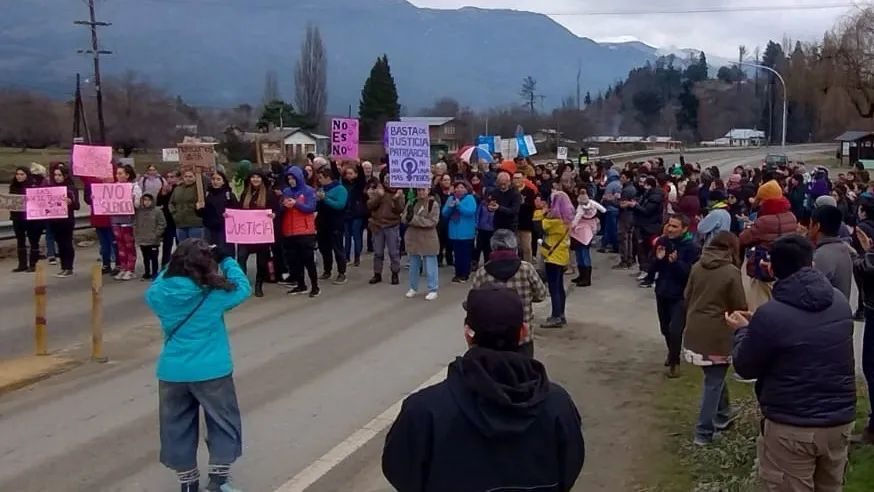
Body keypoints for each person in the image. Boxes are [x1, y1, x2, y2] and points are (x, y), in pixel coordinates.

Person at [382, 285, 585, 492]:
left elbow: (401, 472)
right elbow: (569, 469)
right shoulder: (559, 406)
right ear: (523, 331)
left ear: (468, 334)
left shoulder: (424, 411)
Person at [727, 234, 856, 491]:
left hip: (792, 424)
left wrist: (743, 331)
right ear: (812, 264)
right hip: (838, 421)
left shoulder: (771, 314)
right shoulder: (839, 302)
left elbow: (744, 365)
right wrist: (760, 327)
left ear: (771, 269)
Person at [145, 239, 250, 492]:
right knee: (223, 422)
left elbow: (160, 281)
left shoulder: (159, 294)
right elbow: (243, 288)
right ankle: (218, 480)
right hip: (212, 370)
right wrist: (226, 259)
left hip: (172, 371)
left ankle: (188, 482)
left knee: (176, 427)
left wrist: (177, 260)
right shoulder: (213, 295)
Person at [683, 231, 747, 445]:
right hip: (718, 332)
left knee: (714, 377)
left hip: (695, 328)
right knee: (713, 382)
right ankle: (703, 432)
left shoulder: (697, 266)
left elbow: (687, 295)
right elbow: (739, 305)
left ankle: (723, 414)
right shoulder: (731, 272)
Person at [471, 229, 547, 356]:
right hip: (522, 335)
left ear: (493, 248)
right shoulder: (526, 269)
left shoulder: (482, 272)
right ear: (515, 247)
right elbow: (541, 295)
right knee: (523, 373)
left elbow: (473, 304)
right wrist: (526, 298)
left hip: (491, 338)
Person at [652, 214, 702, 376]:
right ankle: (672, 352)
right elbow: (651, 269)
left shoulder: (692, 248)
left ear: (684, 229)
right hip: (662, 291)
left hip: (681, 295)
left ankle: (675, 363)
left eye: (675, 226)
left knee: (675, 329)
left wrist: (677, 263)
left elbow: (691, 273)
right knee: (665, 329)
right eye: (669, 225)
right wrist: (658, 259)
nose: (670, 229)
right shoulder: (662, 243)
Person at [233, 171, 278, 298]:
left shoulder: (269, 194)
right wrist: (230, 216)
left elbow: (277, 209)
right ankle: (242, 283)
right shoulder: (245, 193)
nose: (255, 179)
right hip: (246, 234)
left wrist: (274, 215)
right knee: (241, 257)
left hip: (261, 234)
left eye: (258, 177)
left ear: (262, 179)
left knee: (261, 261)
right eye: (253, 177)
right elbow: (239, 210)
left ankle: (258, 285)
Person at [281, 166, 320, 297]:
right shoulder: (286, 191)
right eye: (289, 178)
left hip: (305, 231)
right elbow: (281, 208)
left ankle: (315, 286)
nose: (291, 181)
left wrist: (296, 203)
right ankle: (300, 284)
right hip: (289, 230)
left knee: (308, 260)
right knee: (294, 261)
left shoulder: (309, 191)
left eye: (293, 178)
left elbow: (310, 207)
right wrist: (283, 206)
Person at [540, 191, 575, 328]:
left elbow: (538, 225)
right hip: (562, 256)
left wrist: (541, 211)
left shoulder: (553, 221)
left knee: (554, 288)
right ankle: (561, 314)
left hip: (552, 257)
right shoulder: (567, 220)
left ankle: (556, 316)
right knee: (559, 287)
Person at [367, 169, 406, 285]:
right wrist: (378, 196)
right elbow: (369, 206)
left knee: (394, 252)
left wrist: (397, 199)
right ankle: (377, 274)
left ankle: (395, 273)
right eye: (387, 180)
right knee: (378, 252)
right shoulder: (377, 191)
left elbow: (400, 210)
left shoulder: (398, 193)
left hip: (392, 225)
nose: (389, 183)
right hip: (377, 225)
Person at [809, 204, 853, 300]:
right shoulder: (842, 248)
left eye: (810, 223)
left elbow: (808, 289)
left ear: (817, 226)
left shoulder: (822, 255)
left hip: (827, 312)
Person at [403, 188, 440, 300]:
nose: (421, 192)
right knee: (414, 265)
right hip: (413, 237)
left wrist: (413, 219)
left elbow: (432, 222)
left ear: (428, 191)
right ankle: (413, 287)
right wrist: (406, 217)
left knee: (430, 265)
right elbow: (404, 218)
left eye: (423, 190)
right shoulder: (412, 202)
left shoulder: (433, 204)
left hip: (428, 238)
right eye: (419, 190)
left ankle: (433, 289)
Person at [315, 166, 349, 284]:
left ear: (328, 177)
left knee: (338, 248)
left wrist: (325, 199)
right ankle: (327, 270)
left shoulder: (340, 189)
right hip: (322, 223)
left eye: (321, 178)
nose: (319, 180)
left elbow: (340, 205)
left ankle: (341, 273)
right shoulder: (321, 189)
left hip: (335, 224)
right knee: (324, 249)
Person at [9, 167, 44, 273]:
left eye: (22, 174)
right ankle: (22, 264)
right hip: (17, 218)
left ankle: (33, 264)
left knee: (34, 241)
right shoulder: (14, 187)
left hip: (32, 219)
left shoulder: (33, 187)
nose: (19, 176)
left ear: (27, 175)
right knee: (20, 241)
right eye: (17, 174)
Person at [47, 166, 80, 277]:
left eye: (59, 175)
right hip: (54, 221)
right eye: (55, 175)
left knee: (67, 243)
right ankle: (63, 267)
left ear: (65, 175)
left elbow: (77, 206)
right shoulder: (51, 188)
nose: (57, 177)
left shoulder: (71, 188)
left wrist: (70, 202)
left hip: (67, 221)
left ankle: (69, 267)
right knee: (60, 244)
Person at [442, 180, 477, 283]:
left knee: (465, 254)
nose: (459, 189)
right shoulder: (450, 198)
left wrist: (459, 206)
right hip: (454, 231)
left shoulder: (469, 198)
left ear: (466, 189)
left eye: (462, 187)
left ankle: (465, 274)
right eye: (457, 187)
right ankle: (457, 273)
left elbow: (470, 212)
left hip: (466, 232)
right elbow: (444, 213)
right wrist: (450, 207)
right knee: (456, 254)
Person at [112, 164, 143, 281]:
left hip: (128, 220)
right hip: (115, 219)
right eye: (117, 173)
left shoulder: (134, 187)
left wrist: (132, 197)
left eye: (120, 173)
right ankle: (123, 267)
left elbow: (137, 204)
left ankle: (131, 269)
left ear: (127, 175)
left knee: (129, 245)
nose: (117, 176)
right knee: (120, 245)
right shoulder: (114, 187)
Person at [570, 188, 606, 287]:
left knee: (581, 254)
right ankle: (584, 276)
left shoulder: (581, 209)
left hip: (580, 231)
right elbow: (603, 210)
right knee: (584, 253)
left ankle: (584, 277)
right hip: (590, 230)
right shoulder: (593, 204)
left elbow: (575, 221)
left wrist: (569, 226)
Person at [198, 172, 237, 257]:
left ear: (223, 182)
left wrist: (229, 214)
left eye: (218, 179)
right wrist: (198, 208)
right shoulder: (207, 195)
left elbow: (236, 211)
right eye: (213, 179)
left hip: (224, 229)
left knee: (226, 254)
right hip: (209, 229)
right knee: (209, 254)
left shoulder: (229, 195)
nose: (215, 181)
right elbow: (202, 214)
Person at [135, 193, 167, 281]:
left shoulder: (157, 211)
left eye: (148, 200)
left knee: (154, 257)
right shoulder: (139, 212)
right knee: (145, 257)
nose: (146, 202)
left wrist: (157, 234)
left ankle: (155, 272)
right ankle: (147, 272)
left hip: (153, 239)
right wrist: (137, 235)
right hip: (142, 238)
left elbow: (162, 224)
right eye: (145, 200)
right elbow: (136, 223)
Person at [170, 170, 205, 242]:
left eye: (190, 176)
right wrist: (174, 214)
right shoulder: (178, 188)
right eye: (186, 176)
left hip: (195, 223)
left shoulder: (199, 188)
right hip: (180, 223)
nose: (188, 179)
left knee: (195, 247)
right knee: (183, 247)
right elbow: (171, 203)